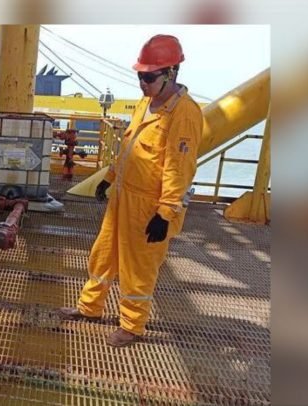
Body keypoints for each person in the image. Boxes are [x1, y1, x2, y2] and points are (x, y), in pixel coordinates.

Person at [58, 34, 203, 347]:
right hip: (123, 196)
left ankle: (132, 326)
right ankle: (90, 308)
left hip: (150, 206)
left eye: (148, 77)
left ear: (171, 73)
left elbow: (179, 168)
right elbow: (129, 146)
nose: (142, 83)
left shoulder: (185, 113)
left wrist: (165, 213)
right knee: (103, 255)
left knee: (138, 268)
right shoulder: (146, 103)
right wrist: (108, 178)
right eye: (140, 76)